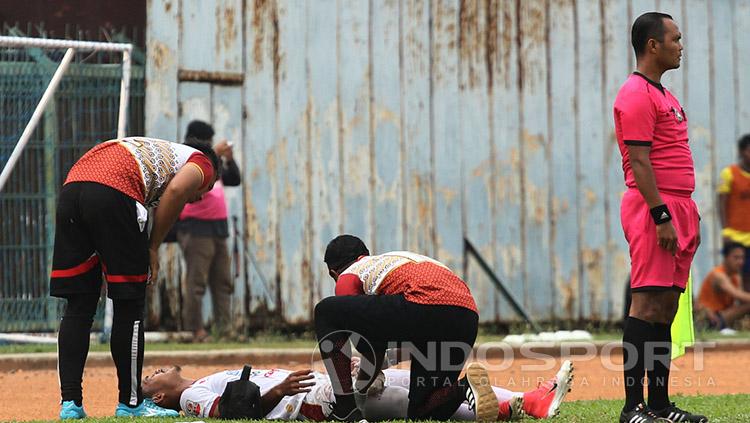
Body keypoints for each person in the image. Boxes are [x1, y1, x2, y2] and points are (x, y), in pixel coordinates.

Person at [50, 136, 219, 419]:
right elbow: (177, 190)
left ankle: (70, 405)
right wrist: (152, 247)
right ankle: (130, 404)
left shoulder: (155, 153)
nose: (201, 196)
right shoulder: (201, 161)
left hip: (73, 189)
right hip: (114, 192)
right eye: (208, 188)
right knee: (129, 305)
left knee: (79, 307)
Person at [613, 12, 707, 423]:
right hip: (656, 209)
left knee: (666, 308)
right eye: (675, 38)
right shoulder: (636, 93)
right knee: (646, 304)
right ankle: (632, 407)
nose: (681, 45)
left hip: (678, 208)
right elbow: (640, 161)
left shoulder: (663, 93)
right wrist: (661, 215)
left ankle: (660, 405)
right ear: (654, 45)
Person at [314, 235, 496, 422]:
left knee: (326, 311)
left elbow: (370, 348)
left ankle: (345, 410)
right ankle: (465, 387)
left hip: (423, 303)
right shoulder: (390, 261)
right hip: (466, 314)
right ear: (366, 254)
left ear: (333, 273)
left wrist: (359, 394)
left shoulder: (349, 275)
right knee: (423, 412)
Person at [140, 358, 574, 421]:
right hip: (317, 402)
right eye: (148, 380)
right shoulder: (190, 397)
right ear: (159, 396)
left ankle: (525, 400)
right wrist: (281, 391)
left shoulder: (195, 383)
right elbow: (238, 413)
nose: (153, 372)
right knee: (415, 401)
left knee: (411, 380)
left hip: (322, 386)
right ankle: (513, 406)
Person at [176, 120, 242, 342]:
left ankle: (224, 329)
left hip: (217, 228)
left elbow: (234, 179)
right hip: (196, 228)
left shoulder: (210, 162)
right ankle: (196, 330)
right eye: (208, 141)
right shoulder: (187, 158)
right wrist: (214, 152)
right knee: (197, 283)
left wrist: (229, 158)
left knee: (222, 282)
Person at [717, 134, 750, 291]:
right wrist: (726, 230)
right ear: (742, 152)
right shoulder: (729, 173)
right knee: (736, 276)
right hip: (736, 235)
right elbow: (721, 202)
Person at [697, 242, 750, 332]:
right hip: (710, 319)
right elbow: (737, 294)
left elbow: (741, 300)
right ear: (726, 257)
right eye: (736, 257)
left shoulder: (736, 276)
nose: (740, 261)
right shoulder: (718, 275)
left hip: (725, 316)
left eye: (742, 258)